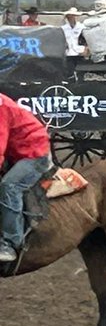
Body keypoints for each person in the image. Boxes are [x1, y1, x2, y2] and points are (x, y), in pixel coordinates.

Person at [0, 92, 53, 263]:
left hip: (35, 154)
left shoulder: (1, 108)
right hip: (18, 151)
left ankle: (11, 243)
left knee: (9, 186)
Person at [60, 7, 85, 78]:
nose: (70, 18)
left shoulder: (82, 27)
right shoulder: (63, 28)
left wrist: (86, 49)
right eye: (68, 16)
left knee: (80, 72)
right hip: (68, 53)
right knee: (69, 70)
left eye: (72, 16)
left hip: (80, 52)